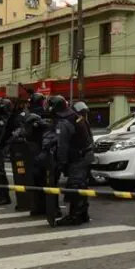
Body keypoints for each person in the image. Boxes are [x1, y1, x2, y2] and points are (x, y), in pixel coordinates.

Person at [47, 95, 94, 226]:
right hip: (85, 155)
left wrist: (60, 162)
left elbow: (62, 145)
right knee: (82, 186)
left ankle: (75, 216)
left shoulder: (64, 121)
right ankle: (83, 214)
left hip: (77, 158)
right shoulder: (76, 116)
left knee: (75, 186)